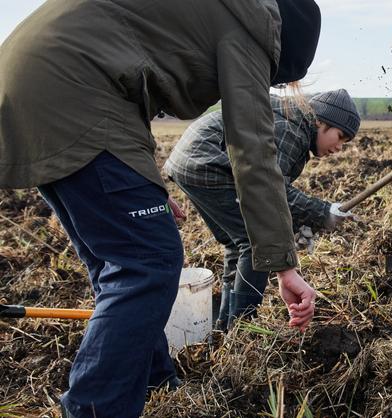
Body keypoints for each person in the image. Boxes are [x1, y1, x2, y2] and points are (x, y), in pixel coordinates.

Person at [0, 0, 321, 417]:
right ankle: (94, 410)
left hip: (30, 78)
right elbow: (254, 152)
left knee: (119, 264)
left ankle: (157, 383)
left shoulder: (209, 12)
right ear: (281, 45)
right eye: (274, 77)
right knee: (147, 262)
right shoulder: (251, 30)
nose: (268, 82)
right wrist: (284, 265)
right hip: (73, 89)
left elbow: (132, 79)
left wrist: (142, 182)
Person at [164, 89, 360, 330]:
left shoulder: (293, 122)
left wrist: (300, 224)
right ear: (320, 121)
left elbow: (272, 192)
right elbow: (269, 191)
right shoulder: (290, 129)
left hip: (191, 160)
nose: (340, 147)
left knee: (237, 243)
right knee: (253, 241)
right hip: (208, 162)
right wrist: (322, 211)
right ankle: (242, 327)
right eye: (340, 136)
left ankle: (227, 326)